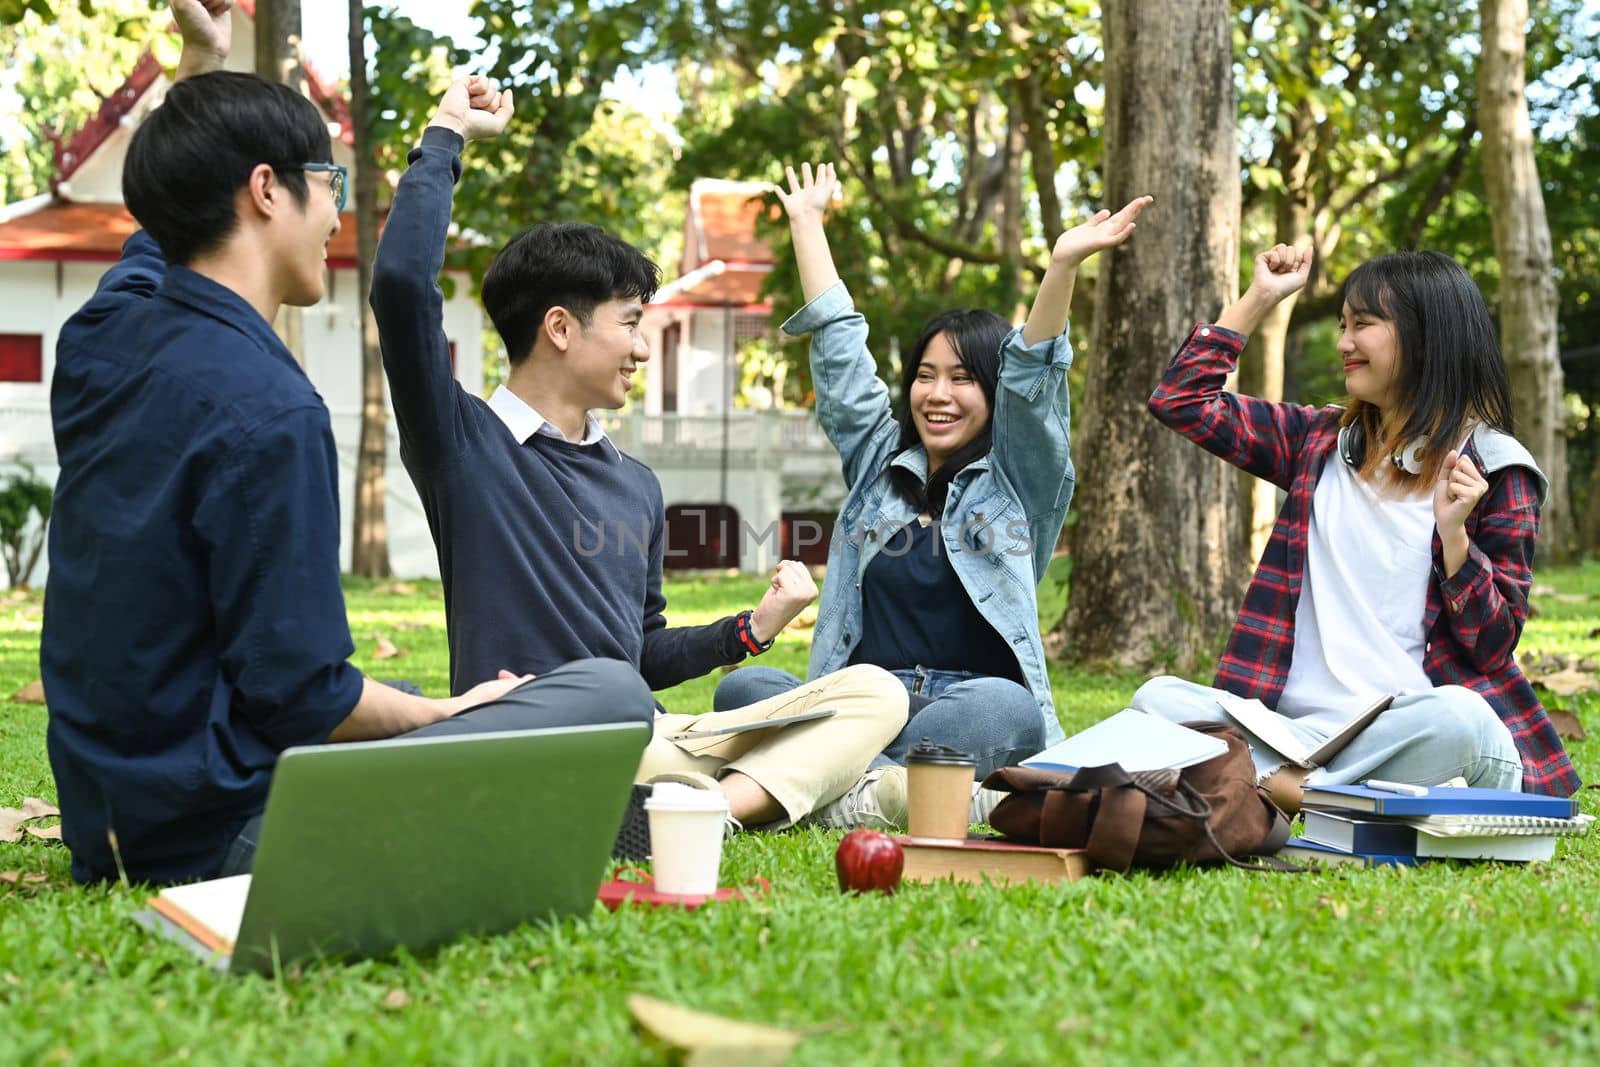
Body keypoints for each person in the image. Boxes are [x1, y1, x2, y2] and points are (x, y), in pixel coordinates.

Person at [40, 0, 653, 886]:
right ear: (265, 191)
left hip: (104, 827)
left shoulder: (103, 334)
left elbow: (164, 229)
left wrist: (202, 61)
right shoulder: (273, 409)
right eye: (327, 181)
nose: (335, 211)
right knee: (610, 694)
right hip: (233, 833)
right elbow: (305, 697)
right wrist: (450, 706)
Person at [371, 81, 908, 832]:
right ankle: (760, 797)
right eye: (628, 323)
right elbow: (400, 286)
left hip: (650, 736)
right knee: (618, 712)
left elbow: (643, 651)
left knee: (875, 693)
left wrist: (750, 629)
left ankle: (708, 808)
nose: (639, 345)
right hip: (537, 735)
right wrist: (447, 134)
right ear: (560, 328)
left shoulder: (636, 485)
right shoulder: (462, 443)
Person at [713, 161, 1152, 795]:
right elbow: (840, 356)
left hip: (965, 705)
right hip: (863, 702)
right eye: (926, 375)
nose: (938, 394)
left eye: (963, 378)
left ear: (991, 392)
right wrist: (807, 223)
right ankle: (882, 782)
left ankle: (831, 776)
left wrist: (1061, 269)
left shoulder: (1018, 483)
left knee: (1007, 712)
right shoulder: (879, 466)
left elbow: (1034, 386)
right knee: (746, 687)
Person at [1131, 242, 1580, 809]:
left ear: (1426, 336)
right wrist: (1260, 297)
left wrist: (1457, 541)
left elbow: (1492, 648)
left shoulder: (1494, 467)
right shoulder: (1317, 441)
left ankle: (1279, 791)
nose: (1344, 343)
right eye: (1344, 324)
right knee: (1160, 698)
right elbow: (1182, 400)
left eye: (1363, 325)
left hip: (1403, 733)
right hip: (1286, 732)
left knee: (1465, 721)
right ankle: (1329, 796)